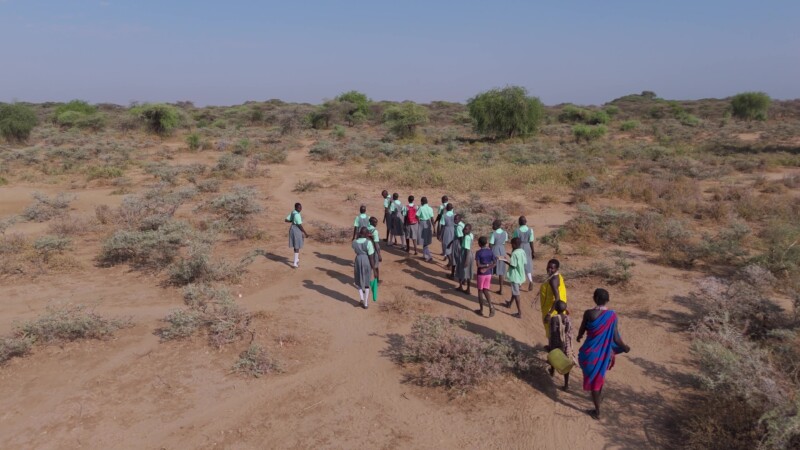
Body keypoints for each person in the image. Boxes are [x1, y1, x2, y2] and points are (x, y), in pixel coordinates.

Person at [577, 288, 631, 420]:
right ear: (607, 300)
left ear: (595, 298)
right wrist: (625, 347)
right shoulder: (612, 316)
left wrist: (579, 336)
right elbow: (616, 338)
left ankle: (597, 412)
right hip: (603, 355)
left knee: (594, 382)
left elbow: (582, 330)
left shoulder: (589, 313)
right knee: (598, 379)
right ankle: (597, 405)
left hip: (589, 354)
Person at [546, 300, 575, 391]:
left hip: (557, 342)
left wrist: (551, 346)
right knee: (566, 363)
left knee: (554, 357)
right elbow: (568, 330)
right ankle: (566, 384)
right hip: (566, 343)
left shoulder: (554, 318)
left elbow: (553, 332)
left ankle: (552, 371)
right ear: (565, 309)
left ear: (555, 309)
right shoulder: (567, 318)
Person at [540, 259, 567, 339]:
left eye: (552, 268)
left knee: (552, 333)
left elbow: (557, 298)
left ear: (557, 269)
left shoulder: (553, 280)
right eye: (548, 267)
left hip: (552, 310)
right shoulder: (557, 276)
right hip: (558, 309)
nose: (549, 269)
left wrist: (549, 314)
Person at [500, 237, 526, 318]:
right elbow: (523, 261)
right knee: (515, 291)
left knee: (516, 293)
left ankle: (519, 313)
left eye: (511, 244)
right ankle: (509, 303)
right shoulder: (522, 251)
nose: (511, 245)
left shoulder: (515, 253)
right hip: (521, 274)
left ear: (514, 245)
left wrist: (505, 261)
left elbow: (513, 265)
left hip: (515, 276)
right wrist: (511, 256)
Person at [352, 227, 377, 309]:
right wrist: (374, 270)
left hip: (358, 260)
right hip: (366, 261)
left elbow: (354, 248)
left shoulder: (354, 242)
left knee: (358, 281)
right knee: (366, 283)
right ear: (366, 234)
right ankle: (365, 303)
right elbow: (371, 258)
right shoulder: (368, 242)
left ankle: (361, 299)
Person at [474, 236, 496, 317]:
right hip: (488, 274)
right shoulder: (490, 251)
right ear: (486, 243)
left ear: (479, 244)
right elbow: (494, 263)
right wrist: (488, 267)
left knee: (480, 291)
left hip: (481, 274)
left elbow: (478, 265)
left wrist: (484, 267)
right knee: (486, 290)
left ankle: (481, 310)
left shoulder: (478, 252)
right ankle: (491, 307)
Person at [512, 216, 535, 291]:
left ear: (519, 222)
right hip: (527, 247)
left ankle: (519, 283)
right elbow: (531, 241)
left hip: (519, 247)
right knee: (528, 264)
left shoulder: (517, 231)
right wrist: (533, 251)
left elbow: (515, 241)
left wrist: (513, 250)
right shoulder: (530, 230)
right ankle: (530, 281)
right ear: (526, 221)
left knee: (519, 265)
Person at [285, 203, 308, 268]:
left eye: (301, 207)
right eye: (299, 207)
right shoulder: (297, 215)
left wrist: (293, 221)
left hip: (292, 229)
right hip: (296, 230)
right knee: (297, 246)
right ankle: (295, 263)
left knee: (295, 245)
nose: (300, 209)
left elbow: (286, 220)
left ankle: (296, 259)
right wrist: (305, 233)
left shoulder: (293, 212)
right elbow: (299, 225)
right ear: (295, 208)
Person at [489, 219, 508, 295]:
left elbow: (490, 244)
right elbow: (504, 242)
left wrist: (491, 251)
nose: (492, 226)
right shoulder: (505, 233)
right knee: (501, 271)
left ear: (497, 226)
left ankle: (487, 286)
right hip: (502, 251)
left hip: (495, 250)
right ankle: (501, 289)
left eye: (493, 225)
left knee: (491, 268)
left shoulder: (493, 234)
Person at [416, 197, 435, 262]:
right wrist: (434, 227)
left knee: (424, 241)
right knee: (426, 240)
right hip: (428, 223)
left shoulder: (421, 208)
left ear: (422, 202)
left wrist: (419, 221)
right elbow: (432, 219)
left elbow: (417, 215)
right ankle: (424, 255)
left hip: (422, 223)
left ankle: (429, 256)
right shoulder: (430, 208)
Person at [457, 223, 474, 294]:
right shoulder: (471, 235)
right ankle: (468, 288)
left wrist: (466, 260)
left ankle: (460, 286)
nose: (464, 230)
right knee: (468, 272)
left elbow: (467, 250)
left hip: (465, 255)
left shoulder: (466, 237)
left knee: (461, 270)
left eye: (466, 229)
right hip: (470, 255)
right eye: (464, 228)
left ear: (469, 230)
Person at [448, 214, 464, 280]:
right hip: (457, 242)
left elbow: (460, 237)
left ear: (460, 219)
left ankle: (453, 275)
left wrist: (462, 247)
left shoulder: (458, 227)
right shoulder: (462, 224)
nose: (455, 220)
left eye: (456, 219)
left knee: (454, 259)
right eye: (454, 219)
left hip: (457, 244)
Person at [367, 216, 382, 283]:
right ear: (371, 222)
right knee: (376, 266)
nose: (376, 224)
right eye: (375, 222)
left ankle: (367, 280)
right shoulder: (375, 231)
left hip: (367, 248)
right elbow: (376, 243)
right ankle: (377, 280)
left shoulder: (366, 228)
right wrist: (379, 255)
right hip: (374, 249)